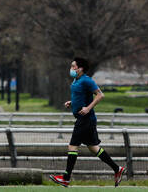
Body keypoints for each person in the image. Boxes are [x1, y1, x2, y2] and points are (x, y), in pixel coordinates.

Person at [49, 57, 126, 188]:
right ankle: (117, 169)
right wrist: (72, 103)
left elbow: (100, 95)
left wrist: (88, 108)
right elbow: (81, 97)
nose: (71, 69)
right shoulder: (76, 80)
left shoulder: (87, 80)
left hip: (85, 119)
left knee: (72, 146)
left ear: (80, 68)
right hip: (86, 120)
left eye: (73, 66)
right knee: (93, 148)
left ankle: (66, 178)